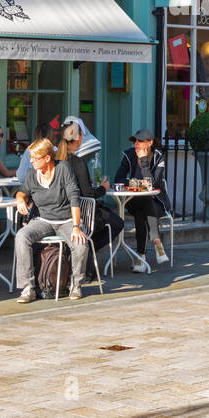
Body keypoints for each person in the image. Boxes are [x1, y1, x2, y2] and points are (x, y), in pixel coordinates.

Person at [13, 138, 89, 302]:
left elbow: (74, 198)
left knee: (80, 244)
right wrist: (20, 200)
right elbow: (22, 192)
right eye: (31, 157)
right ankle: (28, 288)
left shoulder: (63, 168)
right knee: (21, 236)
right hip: (43, 220)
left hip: (67, 220)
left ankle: (76, 284)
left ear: (47, 158)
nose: (31, 161)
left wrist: (76, 226)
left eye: (35, 158)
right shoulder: (33, 174)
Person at [55, 124, 124, 261]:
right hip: (80, 212)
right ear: (79, 138)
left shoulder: (55, 159)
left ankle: (83, 251)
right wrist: (103, 189)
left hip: (59, 211)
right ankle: (87, 251)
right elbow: (88, 194)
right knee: (118, 223)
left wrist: (86, 181)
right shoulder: (78, 162)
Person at [113, 129, 171, 267]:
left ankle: (140, 256)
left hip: (157, 202)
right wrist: (137, 183)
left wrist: (144, 161)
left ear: (150, 143)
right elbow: (118, 179)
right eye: (135, 141)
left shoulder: (158, 157)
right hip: (133, 200)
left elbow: (152, 185)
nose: (136, 144)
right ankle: (157, 242)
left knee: (141, 212)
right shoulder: (129, 155)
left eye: (140, 141)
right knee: (143, 201)